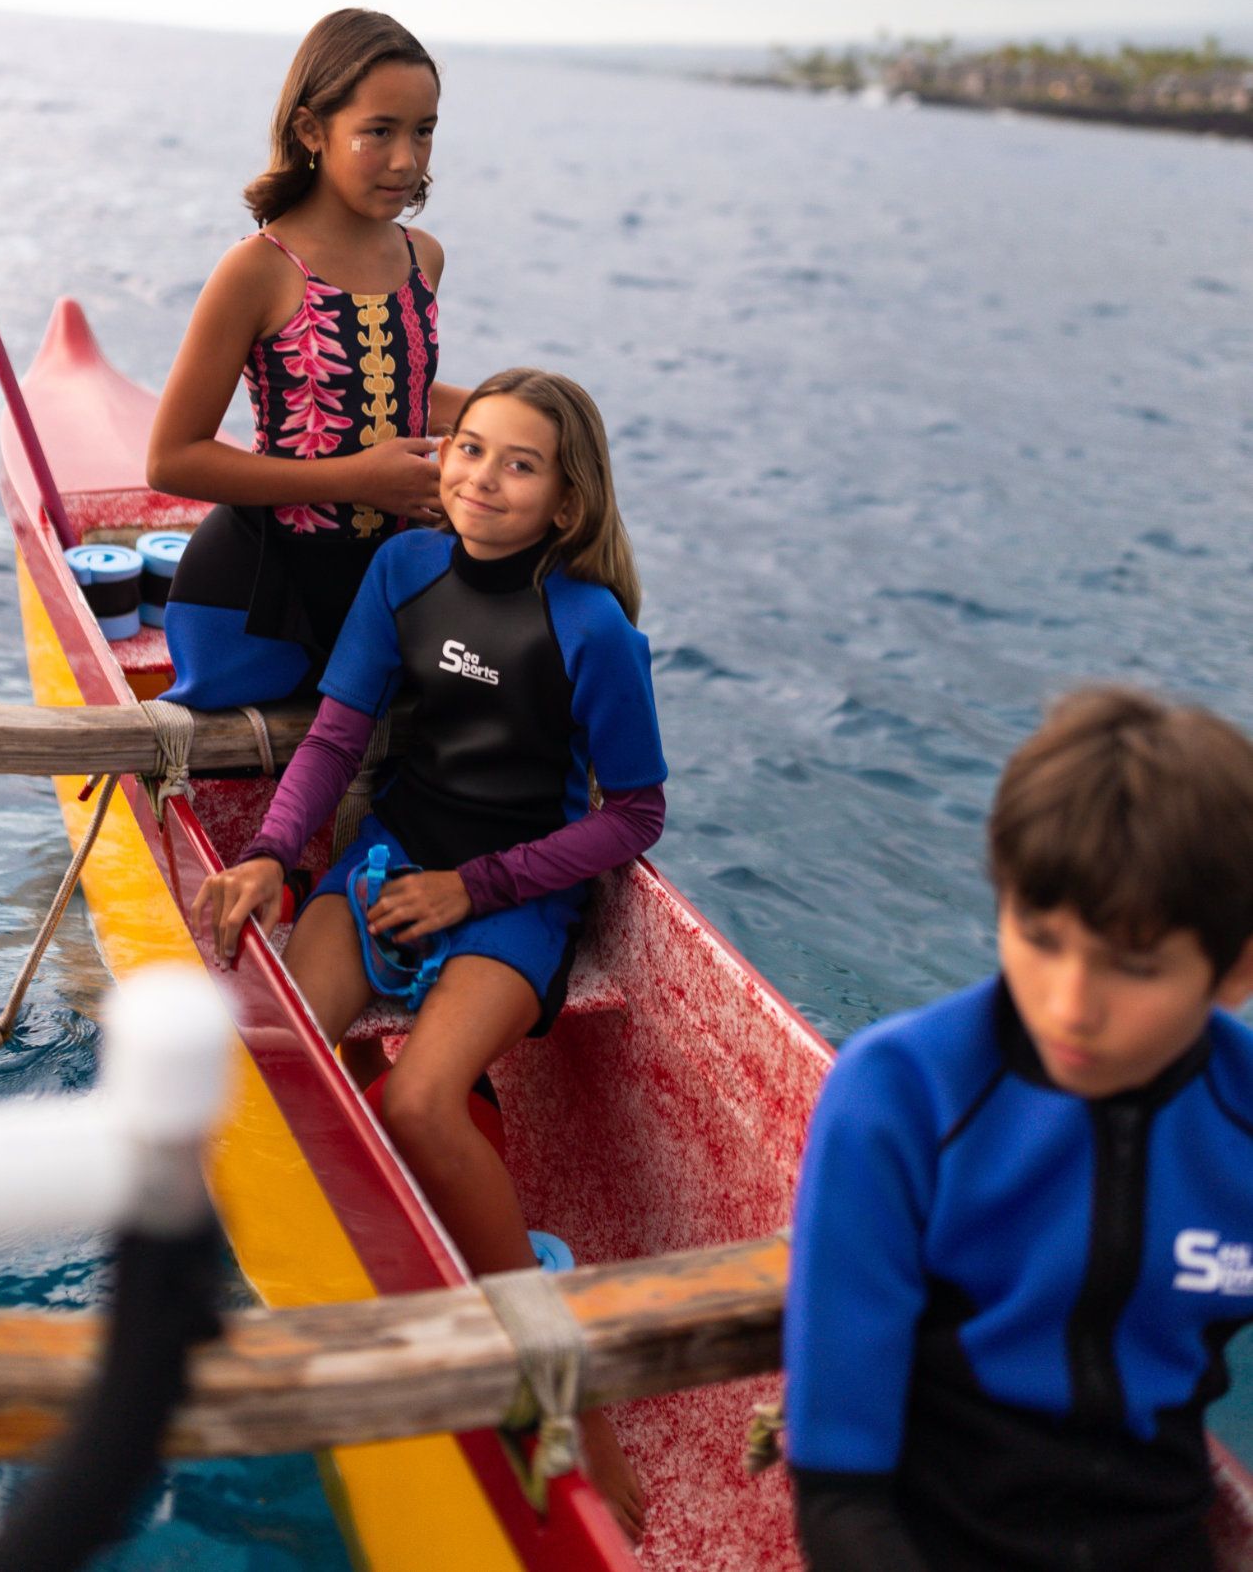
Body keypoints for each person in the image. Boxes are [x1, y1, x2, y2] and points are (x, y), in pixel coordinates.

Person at [191, 368, 668, 1539]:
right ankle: (359, 1265)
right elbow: (342, 732)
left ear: (566, 502)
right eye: (467, 450)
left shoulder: (594, 628)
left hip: (509, 899)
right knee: (271, 1047)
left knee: (420, 1103)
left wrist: (479, 889)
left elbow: (634, 815)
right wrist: (281, 860)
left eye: (518, 463)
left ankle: (565, 1391)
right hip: (389, 863)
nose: (480, 478)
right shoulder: (399, 571)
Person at [784, 686, 1253, 1572]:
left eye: (1136, 966)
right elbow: (840, 1486)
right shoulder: (902, 1097)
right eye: (1039, 939)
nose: (1069, 1006)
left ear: (1234, 971)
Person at [146, 7, 466, 709]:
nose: (406, 160)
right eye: (378, 131)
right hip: (262, 594)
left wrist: (499, 417)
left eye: (424, 131)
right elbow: (172, 458)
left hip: (389, 586)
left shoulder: (424, 258)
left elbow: (401, 392)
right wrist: (359, 479)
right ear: (312, 131)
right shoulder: (260, 269)